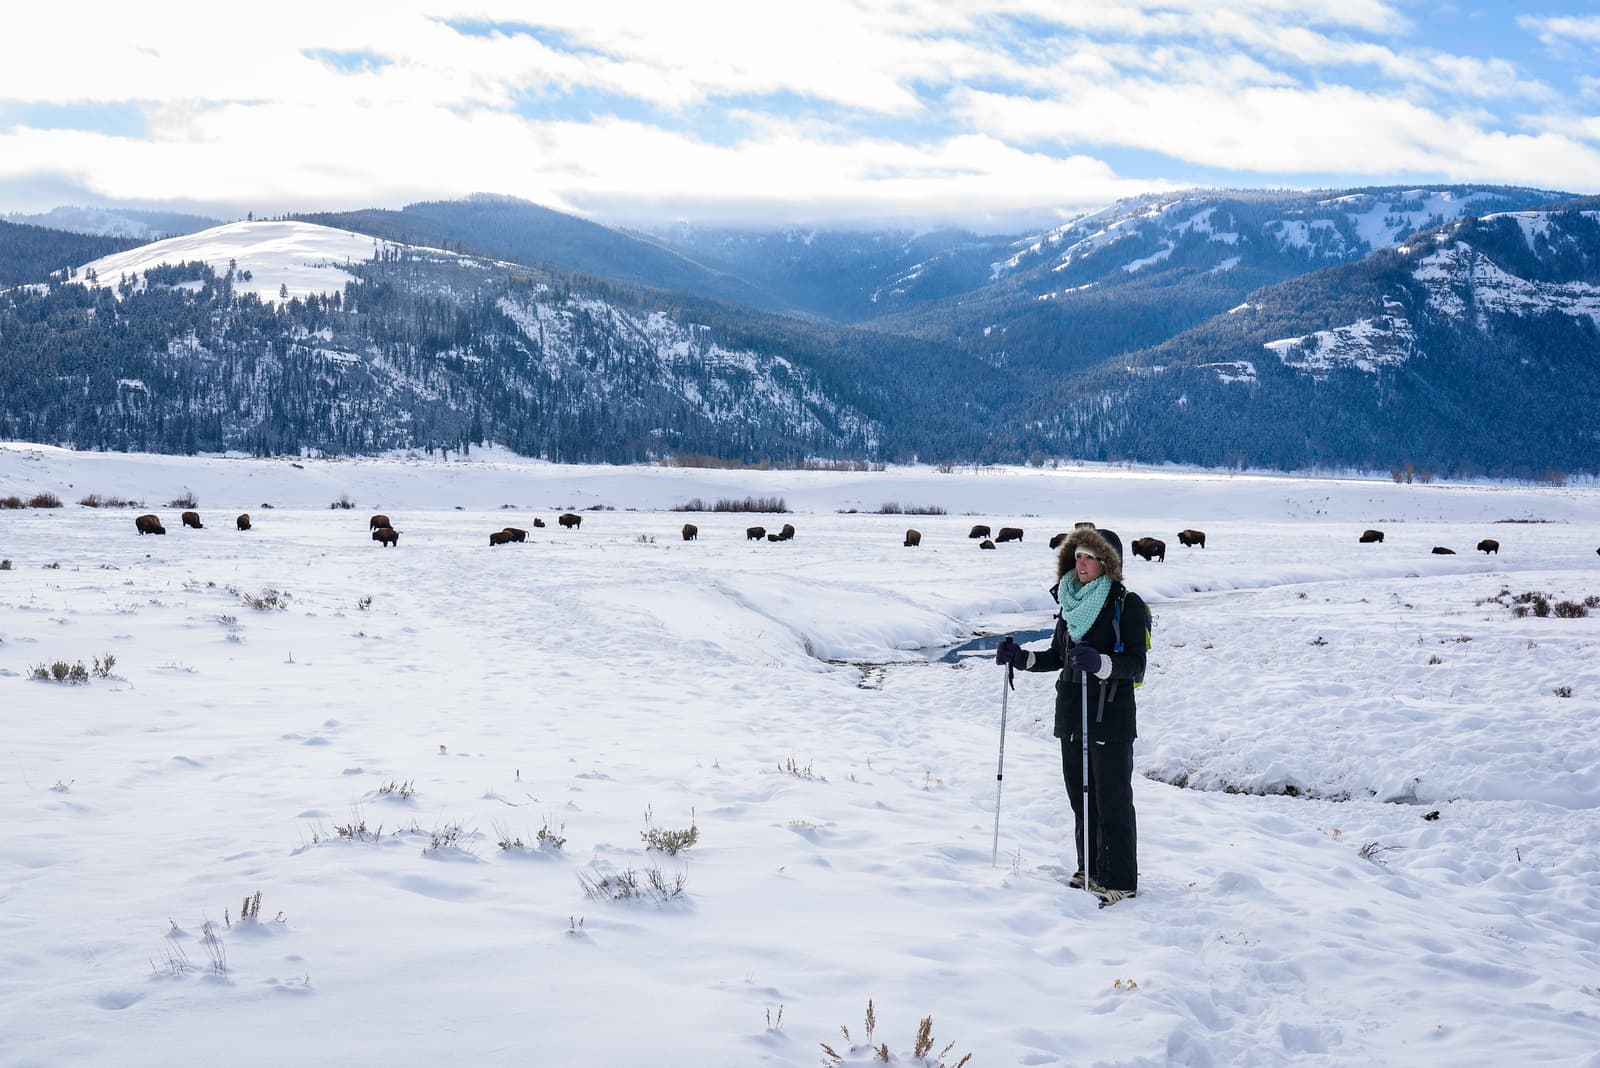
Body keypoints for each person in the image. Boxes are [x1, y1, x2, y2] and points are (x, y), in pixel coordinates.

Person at [995, 527, 1150, 906]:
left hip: (1110, 716)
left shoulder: (1127, 605)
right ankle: (1090, 868)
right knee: (1081, 798)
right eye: (1077, 556)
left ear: (1108, 564)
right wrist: (1022, 658)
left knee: (1112, 800)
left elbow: (1135, 663)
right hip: (1072, 714)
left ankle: (1120, 879)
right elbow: (1058, 656)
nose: (1081, 563)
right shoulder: (1070, 602)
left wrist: (1100, 663)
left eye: (1089, 557)